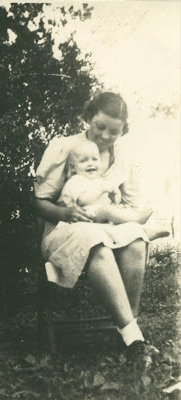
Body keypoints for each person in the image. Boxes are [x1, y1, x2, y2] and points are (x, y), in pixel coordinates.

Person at [34, 91, 159, 366]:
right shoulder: (65, 147)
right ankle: (134, 339)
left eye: (114, 132)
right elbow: (40, 203)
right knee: (94, 239)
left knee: (137, 237)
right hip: (64, 230)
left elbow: (131, 208)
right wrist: (66, 211)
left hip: (108, 229)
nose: (104, 136)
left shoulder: (122, 159)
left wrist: (110, 212)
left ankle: (129, 335)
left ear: (123, 131)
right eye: (100, 126)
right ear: (88, 116)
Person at [58, 140, 170, 241]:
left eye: (95, 159)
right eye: (84, 161)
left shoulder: (98, 181)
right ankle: (138, 220)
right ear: (73, 167)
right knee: (107, 210)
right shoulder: (75, 181)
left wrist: (114, 197)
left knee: (118, 210)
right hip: (82, 218)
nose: (90, 163)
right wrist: (102, 190)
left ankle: (143, 231)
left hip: (97, 219)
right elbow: (83, 200)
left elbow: (108, 202)